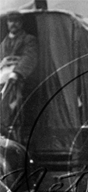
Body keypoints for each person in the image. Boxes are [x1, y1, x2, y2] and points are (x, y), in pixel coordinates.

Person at [0, 11, 38, 139]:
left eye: (16, 21)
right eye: (11, 21)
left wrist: (16, 73)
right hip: (3, 81)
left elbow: (29, 57)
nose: (13, 24)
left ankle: (14, 138)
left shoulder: (29, 40)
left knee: (15, 112)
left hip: (20, 81)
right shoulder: (3, 44)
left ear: (21, 23)